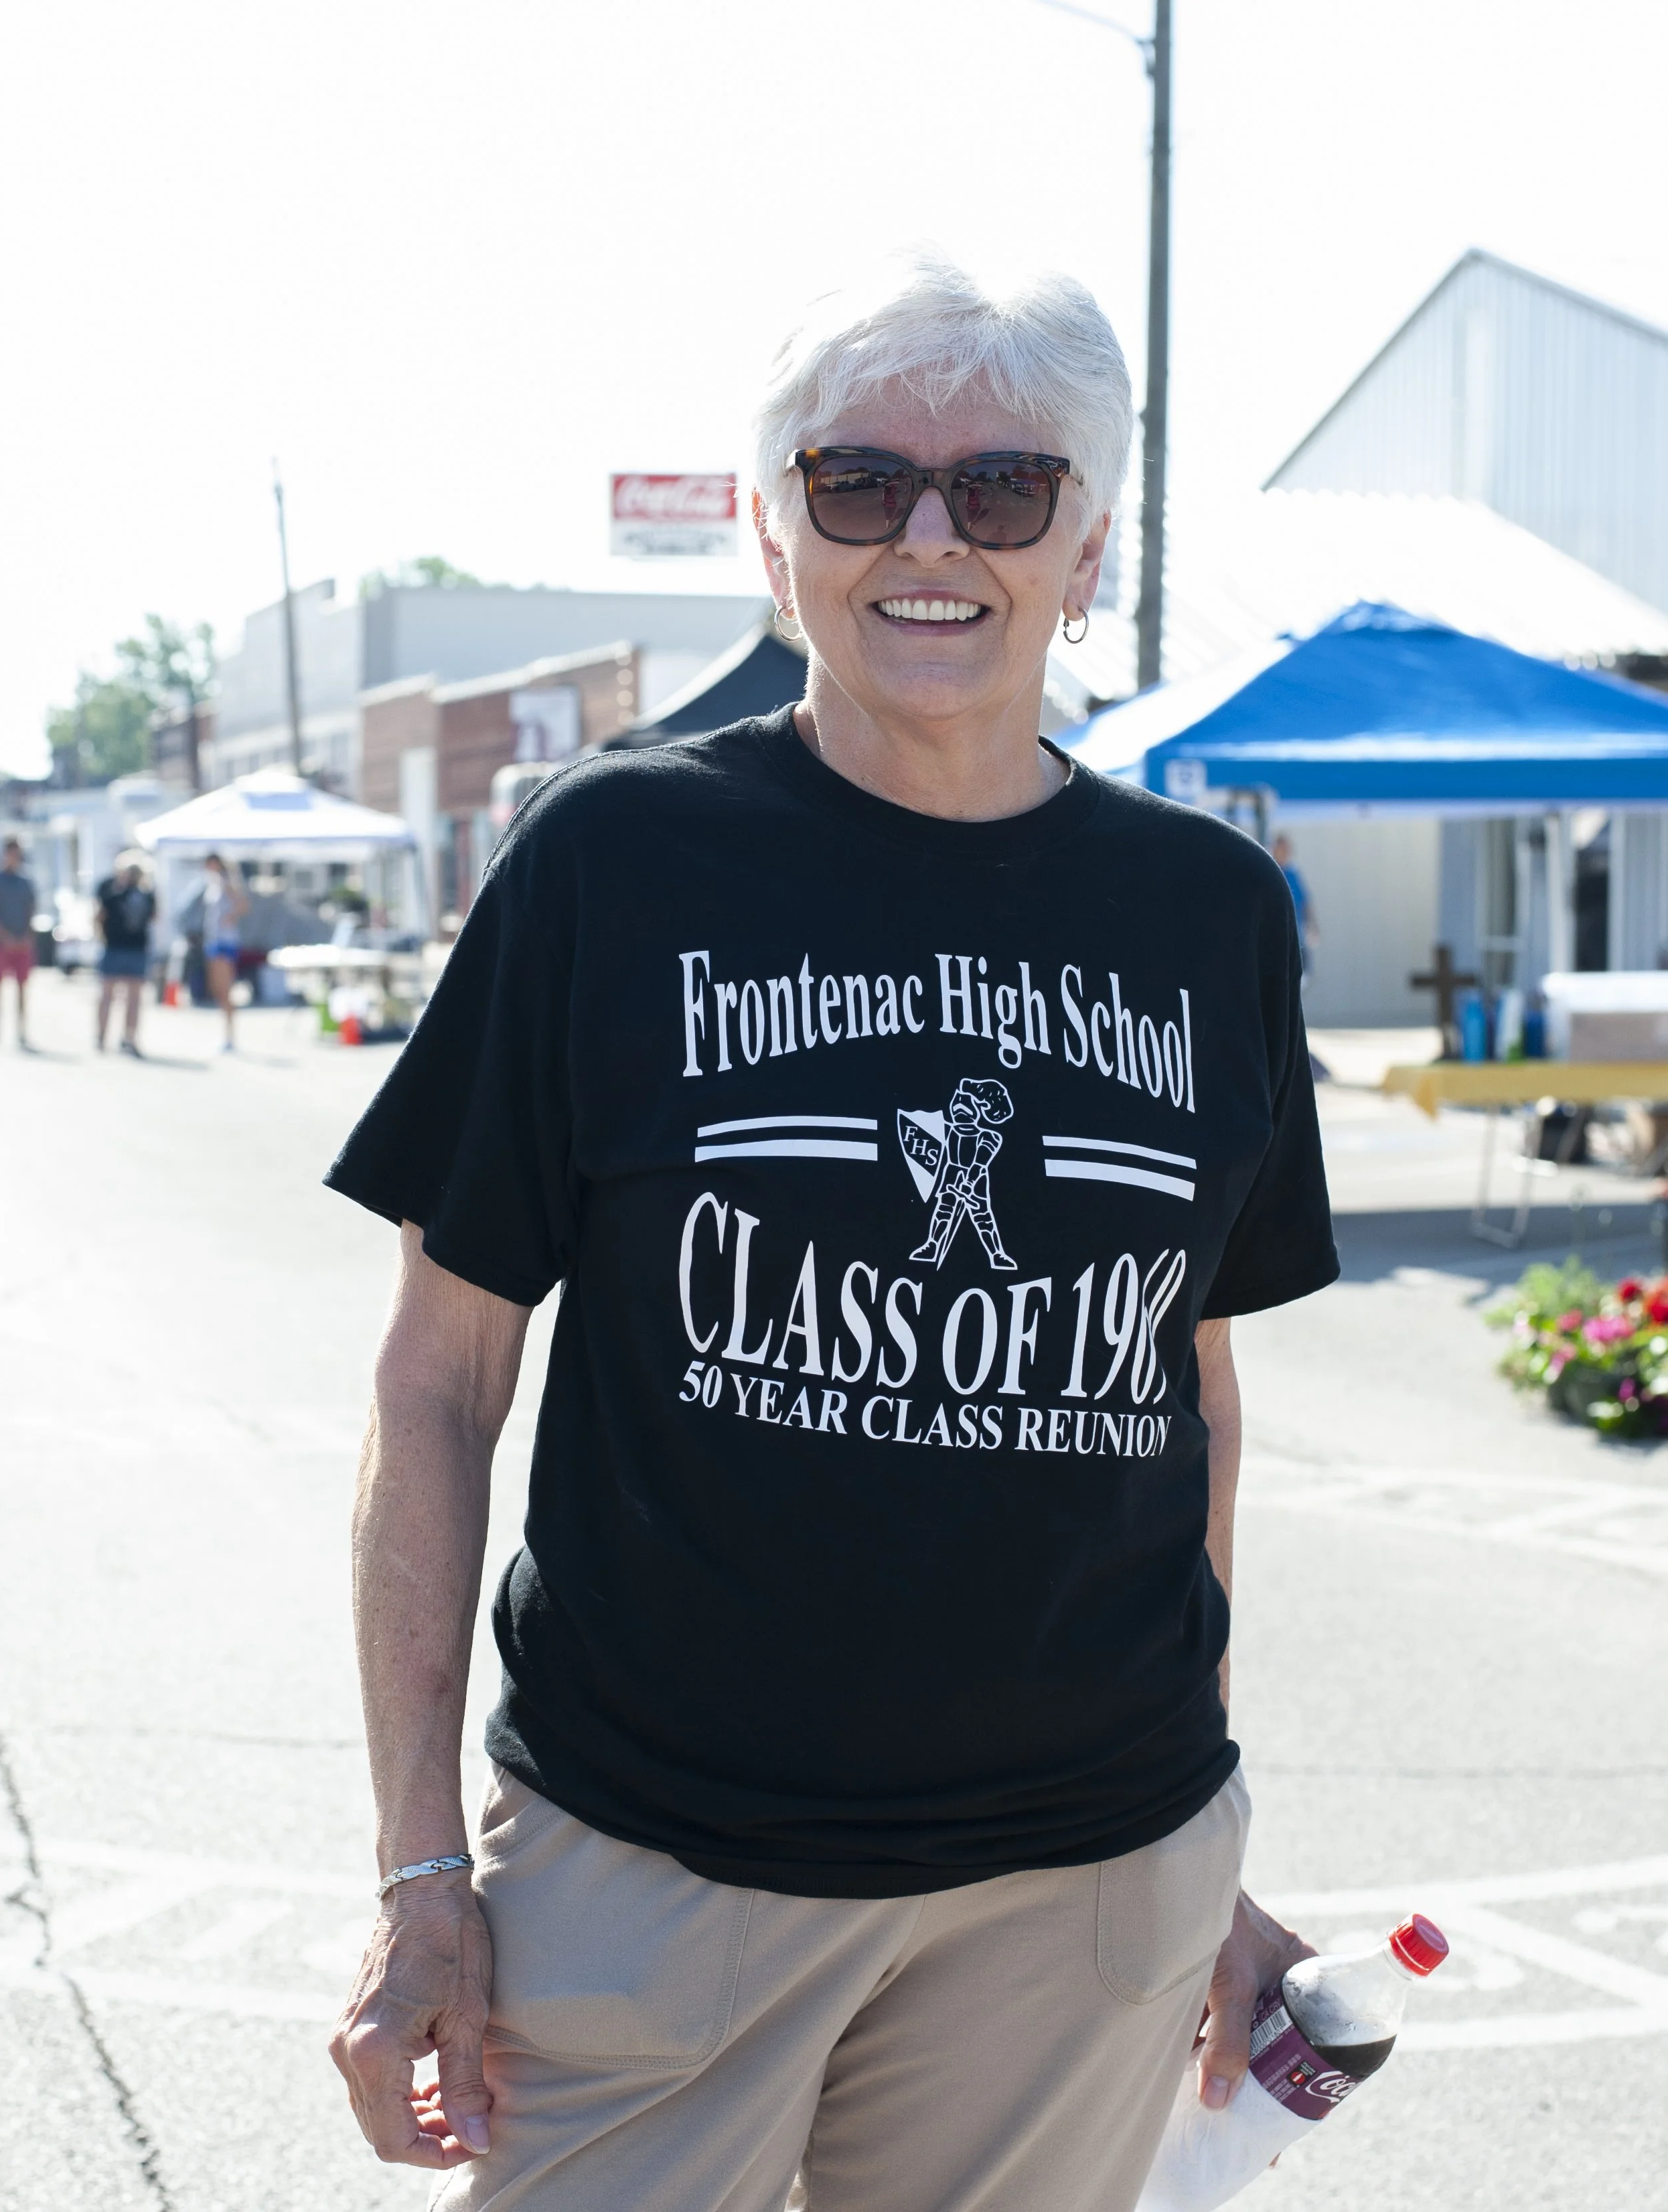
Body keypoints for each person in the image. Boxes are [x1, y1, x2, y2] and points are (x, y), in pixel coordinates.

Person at [325, 251, 1339, 2212]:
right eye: (859, 483)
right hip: (654, 1867)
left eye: (1005, 488)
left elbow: (1190, 1399)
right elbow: (437, 1381)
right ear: (771, 536)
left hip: (1081, 1894)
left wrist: (1201, 1841)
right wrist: (419, 1869)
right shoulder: (611, 859)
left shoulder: (1209, 914)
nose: (930, 539)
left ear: (1088, 548)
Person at [94, 853, 157, 1056]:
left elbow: (99, 917)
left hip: (115, 947)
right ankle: (128, 1038)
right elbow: (154, 918)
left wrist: (101, 937)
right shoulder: (147, 896)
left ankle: (102, 1037)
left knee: (108, 995)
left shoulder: (112, 894)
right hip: (136, 949)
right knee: (133, 998)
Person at [200, 851, 248, 1051]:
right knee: (217, 989)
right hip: (214, 940)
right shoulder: (212, 883)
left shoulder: (226, 882)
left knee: (225, 989)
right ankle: (226, 1034)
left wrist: (231, 917)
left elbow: (243, 905)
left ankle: (230, 1036)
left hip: (225, 941)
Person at [0, 837, 38, 1051]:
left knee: (22, 987)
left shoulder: (26, 881)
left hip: (22, 943)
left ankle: (21, 1031)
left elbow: (31, 909)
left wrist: (27, 936)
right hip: (2, 944)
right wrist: (6, 937)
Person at [1272, 834, 1317, 976]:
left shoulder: (1294, 874)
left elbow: (1306, 902)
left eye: (1287, 850)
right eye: (1281, 849)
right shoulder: (1270, 873)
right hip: (1277, 940)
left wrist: (1313, 926)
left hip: (1297, 938)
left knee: (1301, 976)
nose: (1284, 853)